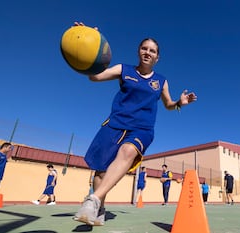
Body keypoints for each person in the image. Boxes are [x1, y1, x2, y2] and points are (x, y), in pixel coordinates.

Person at [73, 21, 197, 226]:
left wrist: (179, 103)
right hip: (114, 124)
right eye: (144, 48)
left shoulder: (161, 80)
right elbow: (94, 77)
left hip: (142, 129)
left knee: (128, 152)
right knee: (101, 171)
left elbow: (168, 104)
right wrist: (90, 46)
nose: (148, 52)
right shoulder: (124, 69)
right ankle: (100, 207)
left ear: (158, 57)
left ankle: (93, 200)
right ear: (139, 51)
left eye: (153, 51)